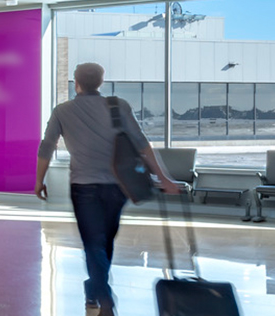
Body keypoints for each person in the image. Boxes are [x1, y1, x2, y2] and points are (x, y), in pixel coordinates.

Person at [35, 63, 180, 316]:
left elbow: (47, 146)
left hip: (83, 187)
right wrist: (163, 178)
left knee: (94, 243)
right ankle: (100, 295)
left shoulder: (63, 110)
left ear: (76, 82)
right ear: (100, 82)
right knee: (103, 242)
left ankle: (100, 294)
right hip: (117, 188)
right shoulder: (117, 106)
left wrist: (39, 179)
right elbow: (142, 144)